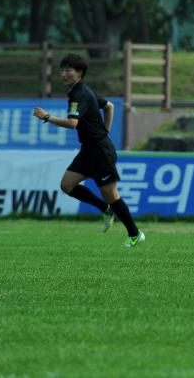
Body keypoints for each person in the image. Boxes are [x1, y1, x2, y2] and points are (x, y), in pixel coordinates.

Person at [32, 54, 144, 248]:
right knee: (67, 185)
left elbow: (72, 123)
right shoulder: (81, 91)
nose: (63, 74)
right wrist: (105, 131)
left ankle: (135, 234)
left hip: (100, 151)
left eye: (68, 70)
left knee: (111, 195)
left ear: (80, 72)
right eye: (62, 69)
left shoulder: (79, 94)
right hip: (89, 149)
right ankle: (105, 209)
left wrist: (47, 117)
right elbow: (109, 106)